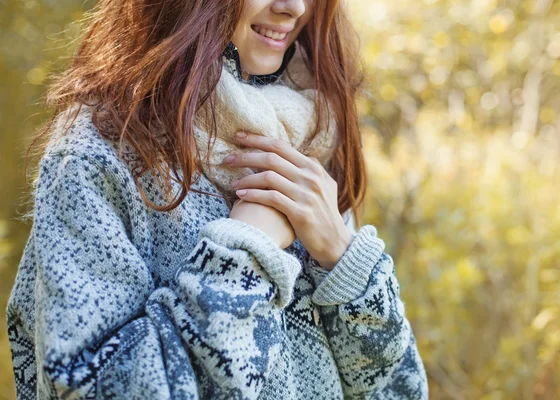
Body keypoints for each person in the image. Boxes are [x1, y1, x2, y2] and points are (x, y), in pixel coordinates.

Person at [5, 0, 428, 399]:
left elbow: (399, 391)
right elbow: (88, 387)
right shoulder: (99, 156)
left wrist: (344, 262)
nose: (294, 8)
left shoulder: (311, 135)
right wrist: (242, 256)